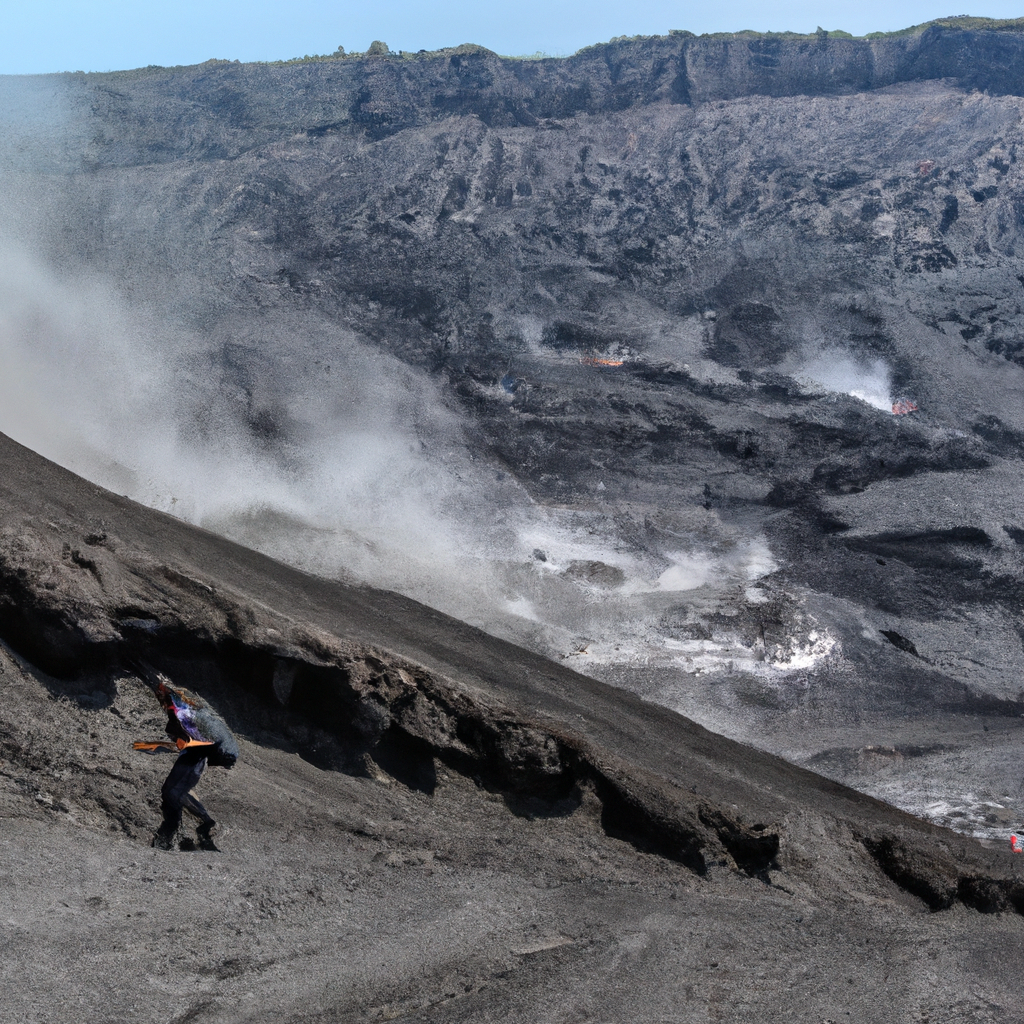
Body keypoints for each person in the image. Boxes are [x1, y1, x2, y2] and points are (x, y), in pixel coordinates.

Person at [147, 676, 239, 851]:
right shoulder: (190, 711)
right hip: (211, 749)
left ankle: (184, 830)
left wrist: (154, 746)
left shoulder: (187, 715)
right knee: (173, 791)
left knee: (172, 792)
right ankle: (192, 828)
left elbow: (199, 740)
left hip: (210, 750)